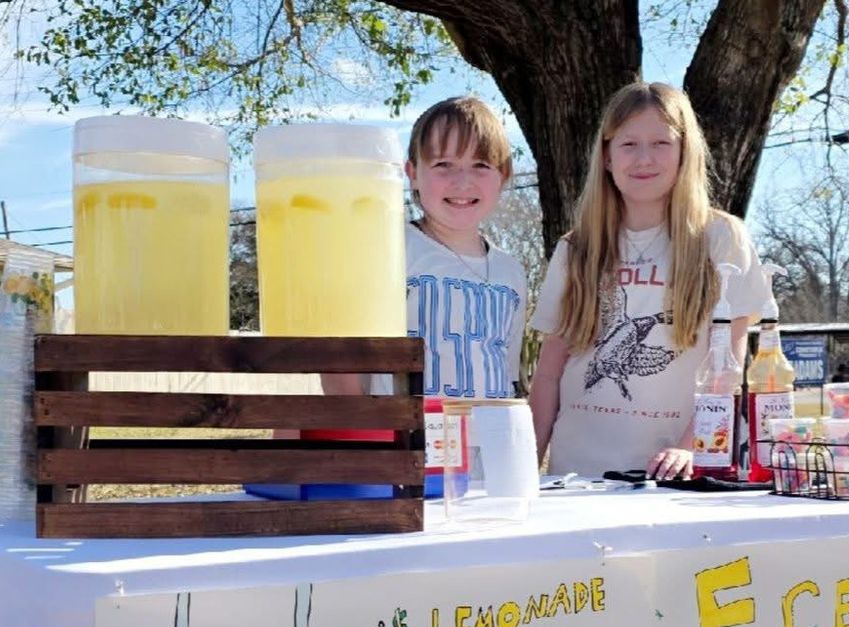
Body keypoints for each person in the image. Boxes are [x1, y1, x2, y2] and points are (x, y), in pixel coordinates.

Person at [528, 82, 767, 479]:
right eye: (628, 145)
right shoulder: (576, 249)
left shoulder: (721, 238)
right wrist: (526, 469)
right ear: (606, 157)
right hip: (575, 477)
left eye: (661, 143)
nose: (644, 158)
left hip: (670, 476)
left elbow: (729, 368)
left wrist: (690, 448)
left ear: (684, 152)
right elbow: (549, 373)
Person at [324, 96, 527, 399]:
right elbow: (339, 364)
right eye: (444, 164)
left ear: (504, 176)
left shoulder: (511, 272)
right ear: (413, 173)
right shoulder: (384, 249)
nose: (462, 181)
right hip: (406, 441)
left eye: (480, 165)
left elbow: (510, 375)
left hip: (491, 441)